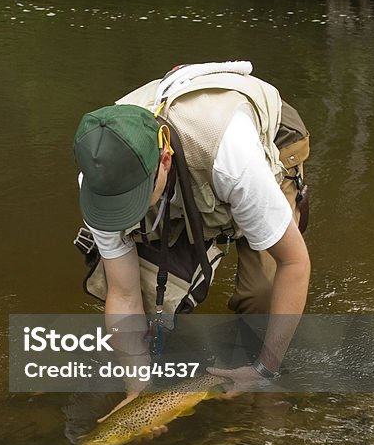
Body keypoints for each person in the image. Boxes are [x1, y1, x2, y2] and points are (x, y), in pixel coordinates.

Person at [73, 61, 310, 407]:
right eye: (114, 205)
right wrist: (138, 389)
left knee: (262, 294)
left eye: (134, 200)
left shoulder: (235, 158)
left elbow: (295, 263)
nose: (122, 216)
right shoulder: (97, 176)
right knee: (143, 289)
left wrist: (265, 368)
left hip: (268, 140)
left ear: (165, 160)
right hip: (189, 167)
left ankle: (258, 373)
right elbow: (124, 296)